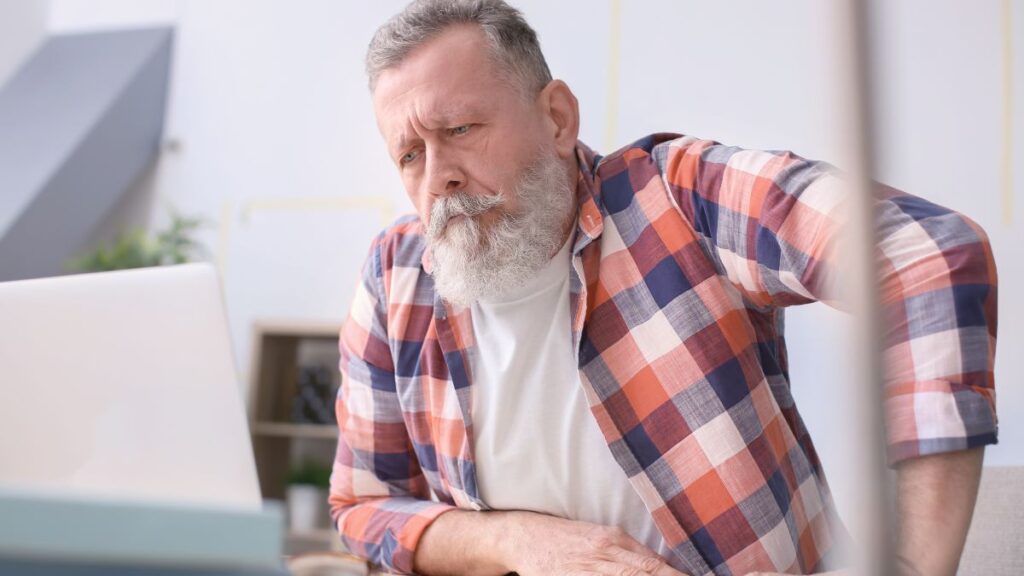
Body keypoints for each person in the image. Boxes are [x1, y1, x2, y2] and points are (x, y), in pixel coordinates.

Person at [328, 1, 999, 575]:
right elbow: (363, 506)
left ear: (558, 118)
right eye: (410, 155)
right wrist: (517, 541)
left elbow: (927, 257)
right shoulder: (395, 277)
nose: (438, 177)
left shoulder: (677, 196)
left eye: (460, 130)